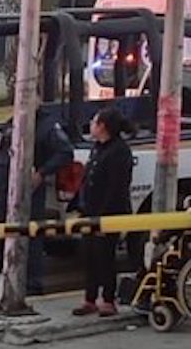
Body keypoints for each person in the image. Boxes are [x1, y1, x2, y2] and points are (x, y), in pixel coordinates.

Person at [0, 107, 74, 296]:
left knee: (30, 235)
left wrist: (42, 172)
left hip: (26, 190)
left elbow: (65, 153)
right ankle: (2, 276)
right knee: (1, 234)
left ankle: (32, 282)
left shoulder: (46, 125)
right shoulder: (12, 121)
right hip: (3, 188)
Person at [72, 106, 134, 317]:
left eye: (94, 122)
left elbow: (116, 188)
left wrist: (103, 218)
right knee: (88, 256)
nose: (91, 125)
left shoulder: (119, 151)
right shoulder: (97, 147)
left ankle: (108, 299)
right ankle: (89, 298)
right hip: (89, 212)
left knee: (105, 257)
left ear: (103, 126)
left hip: (109, 214)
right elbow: (88, 180)